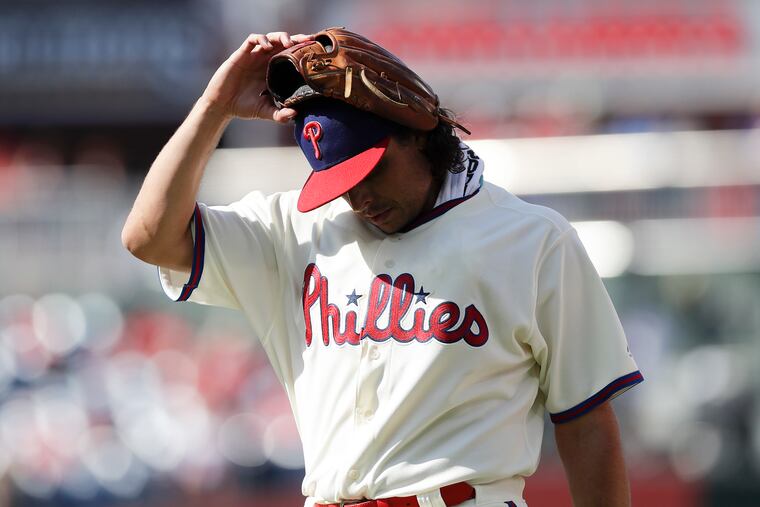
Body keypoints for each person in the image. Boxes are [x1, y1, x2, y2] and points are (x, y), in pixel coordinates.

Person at [122, 29, 643, 507]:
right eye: (341, 183)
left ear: (415, 130)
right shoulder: (294, 231)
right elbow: (148, 237)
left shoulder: (532, 240)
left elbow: (587, 423)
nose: (359, 197)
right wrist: (214, 108)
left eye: (370, 170)